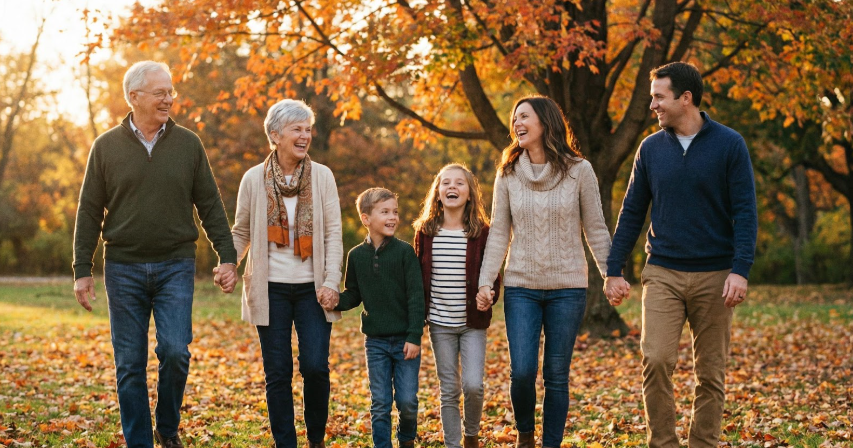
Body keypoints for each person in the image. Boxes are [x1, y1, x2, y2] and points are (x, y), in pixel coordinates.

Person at [72, 61, 237, 448]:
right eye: (160, 92)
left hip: (175, 265)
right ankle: (140, 442)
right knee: (129, 365)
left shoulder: (188, 144)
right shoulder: (106, 146)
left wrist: (226, 256)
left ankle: (167, 426)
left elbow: (209, 204)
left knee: (176, 351)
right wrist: (82, 268)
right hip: (123, 266)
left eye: (171, 91)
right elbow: (89, 210)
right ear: (134, 97)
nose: (169, 99)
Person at [604, 62, 757, 448]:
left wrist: (740, 270)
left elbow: (745, 211)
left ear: (685, 98)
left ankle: (702, 443)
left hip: (716, 275)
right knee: (655, 360)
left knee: (711, 373)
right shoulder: (651, 148)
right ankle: (664, 444)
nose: (651, 104)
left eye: (658, 97)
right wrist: (613, 268)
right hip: (663, 272)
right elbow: (632, 211)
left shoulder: (729, 144)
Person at [476, 95, 612, 448]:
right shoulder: (507, 174)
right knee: (522, 372)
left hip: (568, 287)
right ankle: (525, 435)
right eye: (514, 119)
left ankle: (550, 443)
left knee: (556, 375)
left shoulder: (579, 170)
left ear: (545, 122)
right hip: (521, 285)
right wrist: (486, 281)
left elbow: (595, 227)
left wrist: (611, 273)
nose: (516, 123)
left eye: (524, 116)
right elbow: (499, 233)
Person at [218, 98, 343, 448]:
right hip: (269, 288)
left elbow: (333, 233)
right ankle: (285, 443)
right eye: (297, 129)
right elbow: (241, 231)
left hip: (312, 289)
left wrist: (332, 281)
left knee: (316, 367)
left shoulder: (322, 177)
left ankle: (316, 439)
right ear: (275, 135)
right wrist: (230, 263)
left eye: (308, 129)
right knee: (277, 373)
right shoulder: (253, 179)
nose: (305, 136)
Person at [413, 164, 500, 448]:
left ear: (470, 194)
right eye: (446, 183)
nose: (452, 187)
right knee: (448, 389)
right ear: (437, 193)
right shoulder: (425, 232)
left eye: (460, 183)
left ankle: (471, 435)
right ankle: (453, 444)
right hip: (440, 323)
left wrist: (489, 294)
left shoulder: (482, 233)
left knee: (473, 386)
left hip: (472, 323)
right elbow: (418, 275)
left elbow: (493, 274)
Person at [329, 188, 425, 448]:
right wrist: (334, 299)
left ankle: (406, 440)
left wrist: (414, 336)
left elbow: (417, 297)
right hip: (376, 343)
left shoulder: (405, 253)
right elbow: (353, 294)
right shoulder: (356, 256)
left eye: (395, 212)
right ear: (366, 219)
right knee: (380, 402)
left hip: (406, 341)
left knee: (407, 401)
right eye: (385, 212)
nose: (392, 217)